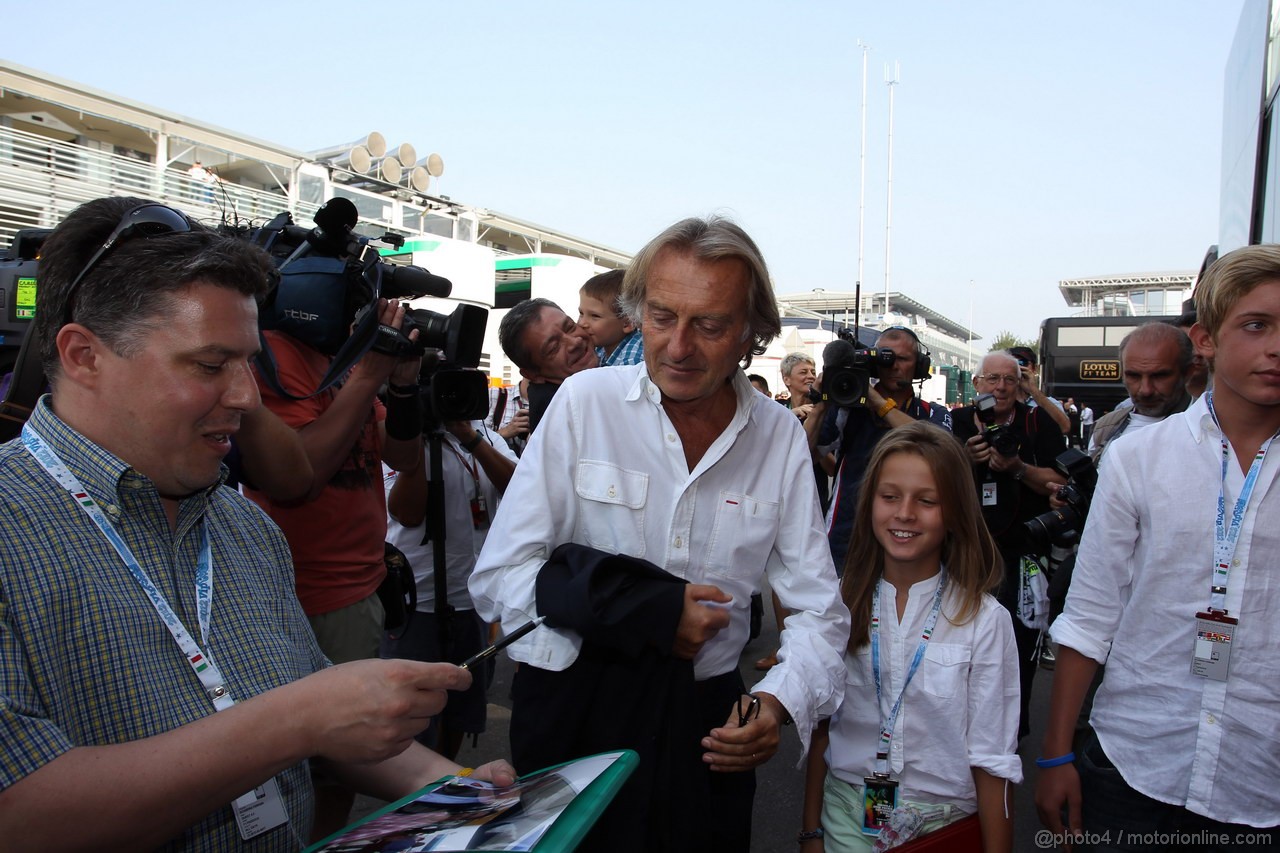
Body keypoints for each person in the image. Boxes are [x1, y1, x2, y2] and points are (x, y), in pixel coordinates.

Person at [0, 196, 513, 850]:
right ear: (84, 355)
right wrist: (296, 721)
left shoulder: (246, 528)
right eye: (212, 365)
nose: (245, 396)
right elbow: (17, 814)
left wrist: (464, 787)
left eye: (248, 362)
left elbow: (322, 717)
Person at [470, 215, 850, 852]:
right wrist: (640, 614)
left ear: (751, 335)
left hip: (709, 733)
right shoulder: (584, 403)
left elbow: (819, 611)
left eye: (709, 324)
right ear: (636, 311)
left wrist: (778, 702)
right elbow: (500, 577)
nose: (678, 346)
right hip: (577, 715)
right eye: (662, 316)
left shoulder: (779, 437)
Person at [1035, 245, 1280, 851]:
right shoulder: (1139, 456)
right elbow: (1091, 612)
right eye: (1256, 325)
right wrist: (1056, 754)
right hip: (1132, 760)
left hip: (1261, 780)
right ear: (1207, 339)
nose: (1276, 346)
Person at [801, 422, 1018, 852]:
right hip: (848, 812)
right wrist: (810, 833)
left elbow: (993, 760)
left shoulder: (985, 619)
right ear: (870, 504)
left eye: (927, 501)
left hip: (945, 822)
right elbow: (821, 728)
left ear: (954, 511)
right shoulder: (839, 603)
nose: (904, 513)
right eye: (890, 497)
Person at [381, 418, 517, 760]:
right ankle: (416, 801)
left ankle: (445, 784)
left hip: (472, 600)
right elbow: (406, 514)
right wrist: (420, 446)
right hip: (418, 602)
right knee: (411, 715)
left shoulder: (482, 433)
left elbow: (521, 489)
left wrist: (469, 438)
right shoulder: (399, 439)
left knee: (462, 705)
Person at [951, 351, 1066, 740]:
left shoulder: (1038, 422)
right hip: (966, 553)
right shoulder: (959, 421)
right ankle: (959, 730)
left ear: (1020, 385)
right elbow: (935, 481)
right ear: (977, 383)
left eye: (1009, 380)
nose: (1000, 387)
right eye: (992, 379)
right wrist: (966, 461)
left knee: (1017, 646)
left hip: (1022, 553)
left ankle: (1010, 734)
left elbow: (1062, 480)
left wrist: (1018, 467)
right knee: (961, 645)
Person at [810, 326, 952, 572]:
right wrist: (822, 405)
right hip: (847, 541)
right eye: (887, 358)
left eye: (904, 359)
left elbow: (935, 447)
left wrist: (876, 401)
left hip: (908, 537)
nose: (894, 365)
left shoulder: (933, 413)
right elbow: (807, 454)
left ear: (919, 365)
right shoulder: (848, 408)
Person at [1087, 322, 1195, 462]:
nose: (1146, 390)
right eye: (1134, 376)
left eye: (1159, 376)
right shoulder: (1104, 428)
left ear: (1188, 373)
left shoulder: (1212, 429)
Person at [496, 297, 596, 434]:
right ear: (533, 375)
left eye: (570, 327)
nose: (575, 342)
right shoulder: (555, 415)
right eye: (554, 347)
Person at [578, 268, 644, 367]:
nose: (582, 323)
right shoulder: (601, 348)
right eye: (581, 313)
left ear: (628, 323)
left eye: (595, 316)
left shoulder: (631, 362)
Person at [1008, 345, 1070, 435]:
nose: (1017, 368)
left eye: (1022, 363)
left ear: (1034, 369)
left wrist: (1033, 390)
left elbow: (1064, 428)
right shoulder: (1000, 400)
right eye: (1011, 363)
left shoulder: (1049, 403)